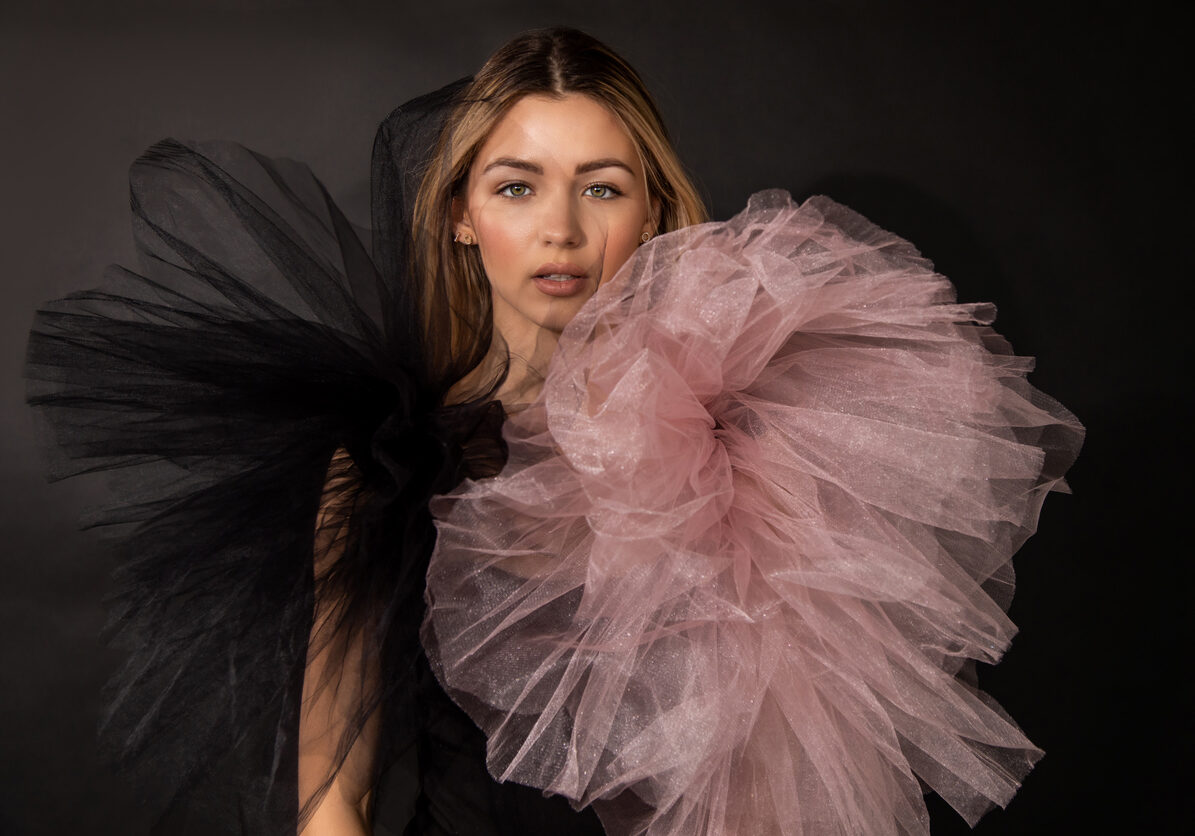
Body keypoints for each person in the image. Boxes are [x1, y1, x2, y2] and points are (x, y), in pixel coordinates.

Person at [24, 26, 1081, 836]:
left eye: (602, 188)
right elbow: (328, 801)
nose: (561, 229)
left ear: (656, 214)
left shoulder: (743, 449)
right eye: (517, 186)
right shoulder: (390, 464)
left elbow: (779, 776)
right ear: (459, 212)